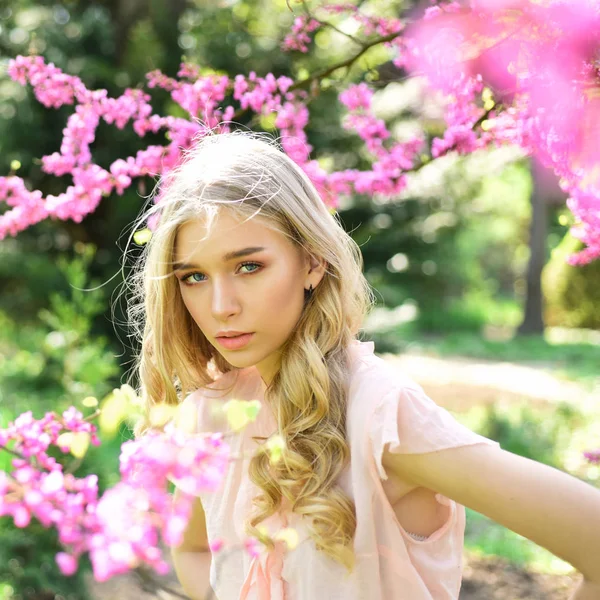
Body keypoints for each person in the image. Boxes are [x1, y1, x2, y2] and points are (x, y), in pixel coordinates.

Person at [129, 129, 600, 600]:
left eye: (249, 266)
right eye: (193, 276)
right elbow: (192, 549)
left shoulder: (380, 413)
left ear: (311, 262)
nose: (221, 306)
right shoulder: (210, 413)